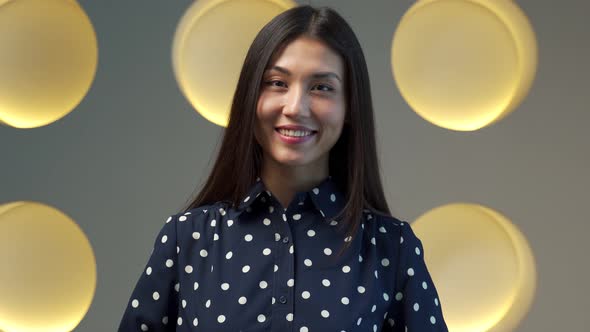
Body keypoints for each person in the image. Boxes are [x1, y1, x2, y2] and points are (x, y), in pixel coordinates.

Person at [118, 5, 448, 332]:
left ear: (350, 107)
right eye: (277, 83)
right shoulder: (188, 238)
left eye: (322, 87)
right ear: (250, 96)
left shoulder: (391, 247)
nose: (295, 107)